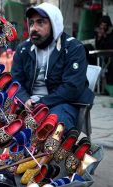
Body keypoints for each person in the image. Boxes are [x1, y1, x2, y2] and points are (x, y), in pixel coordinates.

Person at [10, 2, 94, 132]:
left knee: (54, 124)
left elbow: (72, 87)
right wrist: (25, 99)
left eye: (40, 22)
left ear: (54, 24)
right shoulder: (23, 49)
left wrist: (42, 102)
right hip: (27, 104)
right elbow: (15, 81)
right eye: (31, 23)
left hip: (61, 103)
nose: (34, 28)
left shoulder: (73, 48)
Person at [95, 15, 113, 86]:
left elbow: (111, 44)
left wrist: (105, 36)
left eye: (105, 25)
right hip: (102, 55)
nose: (103, 27)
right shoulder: (98, 32)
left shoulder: (111, 32)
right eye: (102, 25)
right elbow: (98, 46)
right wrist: (99, 38)